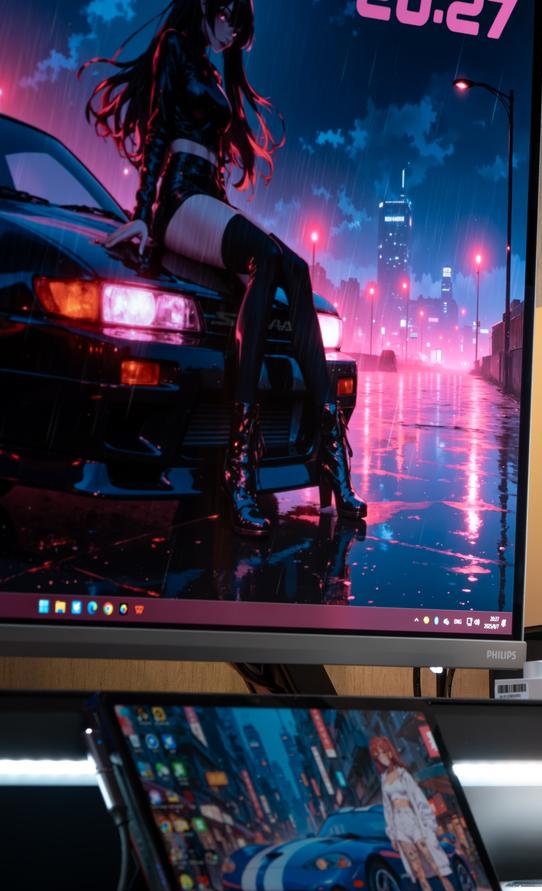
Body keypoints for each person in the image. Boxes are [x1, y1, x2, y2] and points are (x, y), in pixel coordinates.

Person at [84, 0, 365, 536]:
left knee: (294, 270)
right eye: (230, 18)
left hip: (209, 198)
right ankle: (239, 465)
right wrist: (142, 212)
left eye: (242, 27)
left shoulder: (213, 73)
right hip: (179, 198)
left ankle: (331, 452)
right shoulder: (175, 48)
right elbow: (158, 132)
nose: (234, 32)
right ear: (207, 7)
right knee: (267, 258)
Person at [368, 735, 462, 891]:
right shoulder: (383, 780)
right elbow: (388, 809)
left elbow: (419, 799)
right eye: (377, 755)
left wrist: (429, 825)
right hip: (399, 825)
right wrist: (392, 834)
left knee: (436, 867)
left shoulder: (403, 774)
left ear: (389, 752)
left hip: (413, 820)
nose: (381, 757)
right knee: (419, 873)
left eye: (383, 752)